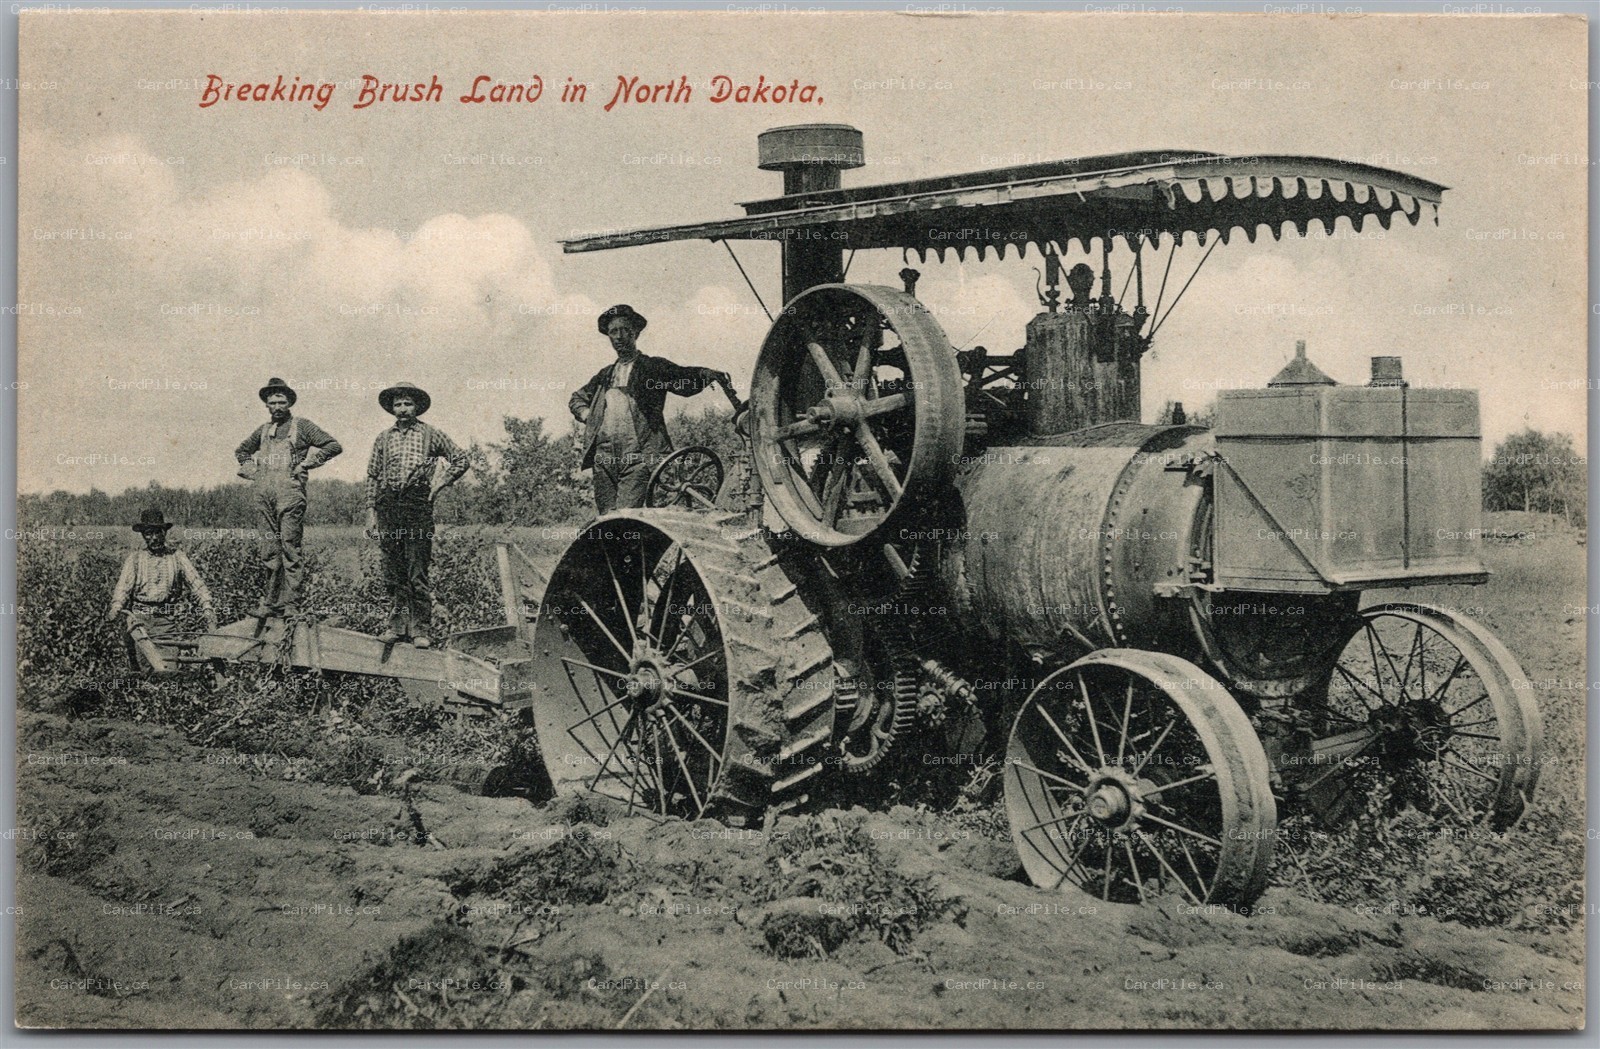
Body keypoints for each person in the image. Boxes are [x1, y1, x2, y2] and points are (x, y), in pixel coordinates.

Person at [568, 304, 731, 515]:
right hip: (604, 458)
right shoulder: (605, 375)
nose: (618, 336)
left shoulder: (651, 367)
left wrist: (704, 374)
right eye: (613, 332)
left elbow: (680, 376)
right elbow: (577, 398)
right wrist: (588, 415)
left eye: (624, 330)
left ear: (635, 332)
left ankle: (629, 548)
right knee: (606, 517)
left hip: (637, 457)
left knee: (626, 515)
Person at [364, 382, 471, 648]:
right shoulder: (383, 438)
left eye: (407, 404)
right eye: (398, 404)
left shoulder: (430, 434)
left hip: (417, 505)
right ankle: (397, 627)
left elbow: (461, 458)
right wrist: (370, 511)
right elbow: (373, 475)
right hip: (388, 505)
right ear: (392, 408)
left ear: (416, 407)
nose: (402, 409)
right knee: (394, 571)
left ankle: (421, 630)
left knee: (417, 570)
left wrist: (440, 483)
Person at [234, 377, 343, 617]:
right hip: (264, 494)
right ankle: (271, 603)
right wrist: (252, 469)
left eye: (281, 402)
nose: (277, 407)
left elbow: (333, 445)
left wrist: (307, 463)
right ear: (266, 405)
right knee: (269, 551)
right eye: (272, 402)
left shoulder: (301, 426)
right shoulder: (263, 430)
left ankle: (292, 604)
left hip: (290, 494)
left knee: (290, 548)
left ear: (289, 402)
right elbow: (241, 450)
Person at [107, 508, 216, 670]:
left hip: (166, 621)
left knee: (169, 667)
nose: (154, 538)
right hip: (139, 622)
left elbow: (196, 583)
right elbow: (123, 588)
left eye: (158, 532)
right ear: (144, 535)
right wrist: (116, 607)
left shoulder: (177, 557)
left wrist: (207, 606)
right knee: (145, 669)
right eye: (149, 533)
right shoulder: (135, 559)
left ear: (164, 533)